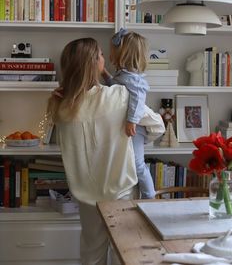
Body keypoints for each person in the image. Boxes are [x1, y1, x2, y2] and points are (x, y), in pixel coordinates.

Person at [47, 37, 165, 265]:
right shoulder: (118, 96)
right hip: (120, 189)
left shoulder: (60, 106)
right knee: (127, 252)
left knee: (92, 253)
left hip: (85, 194)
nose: (105, 59)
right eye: (101, 55)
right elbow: (157, 125)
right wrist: (136, 142)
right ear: (93, 63)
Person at [102, 28, 160, 199]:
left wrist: (132, 121)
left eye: (112, 52)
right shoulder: (124, 75)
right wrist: (105, 74)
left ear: (122, 54)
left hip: (135, 128)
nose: (109, 54)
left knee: (137, 163)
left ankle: (150, 196)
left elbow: (137, 99)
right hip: (128, 126)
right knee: (128, 162)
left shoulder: (133, 78)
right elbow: (116, 89)